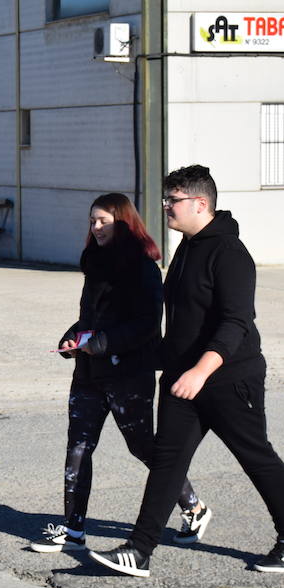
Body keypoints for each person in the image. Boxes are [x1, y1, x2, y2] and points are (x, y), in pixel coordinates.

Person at [89, 165, 284, 577]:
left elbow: (236, 323)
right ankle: (139, 551)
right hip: (183, 381)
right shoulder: (187, 249)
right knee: (167, 463)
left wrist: (199, 371)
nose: (165, 207)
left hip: (229, 380)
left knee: (257, 459)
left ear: (201, 203)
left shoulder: (229, 253)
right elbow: (181, 327)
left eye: (172, 200)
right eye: (166, 199)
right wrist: (133, 356)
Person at [29, 193, 207, 554]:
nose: (95, 228)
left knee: (143, 446)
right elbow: (89, 317)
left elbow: (146, 325)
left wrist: (104, 342)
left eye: (103, 222)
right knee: (78, 446)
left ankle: (194, 507)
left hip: (129, 374)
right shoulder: (95, 262)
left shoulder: (142, 266)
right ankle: (73, 529)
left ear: (123, 223)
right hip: (88, 374)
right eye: (92, 221)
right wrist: (73, 337)